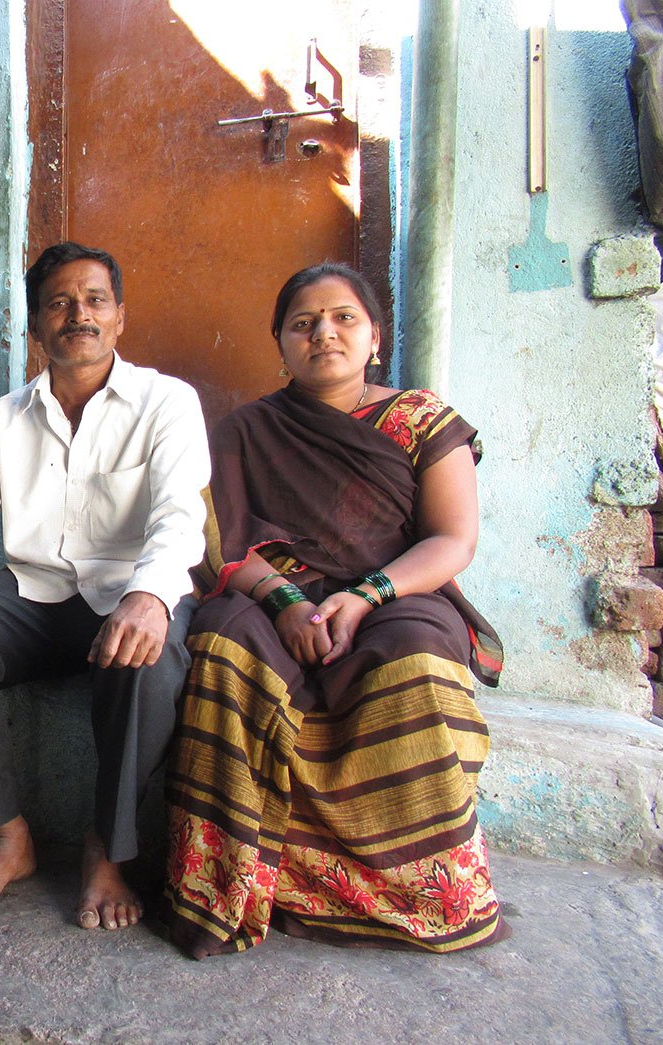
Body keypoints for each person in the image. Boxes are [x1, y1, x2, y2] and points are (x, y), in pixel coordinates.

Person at [164, 262, 508, 956]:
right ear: (281, 344)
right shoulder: (246, 430)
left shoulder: (421, 418)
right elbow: (220, 546)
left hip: (396, 593)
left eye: (343, 317)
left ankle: (419, 889)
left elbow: (453, 537)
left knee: (413, 660)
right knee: (223, 638)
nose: (324, 332)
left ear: (374, 336)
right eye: (303, 323)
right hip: (276, 596)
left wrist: (365, 595)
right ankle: (229, 882)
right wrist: (286, 601)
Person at [0, 241, 210, 930]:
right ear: (37, 325)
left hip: (132, 592)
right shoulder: (4, 417)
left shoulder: (167, 402)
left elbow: (178, 516)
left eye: (95, 300)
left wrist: (152, 595)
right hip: (35, 595)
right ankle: (6, 833)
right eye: (60, 303)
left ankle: (107, 848)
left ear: (120, 318)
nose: (80, 314)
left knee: (154, 662)